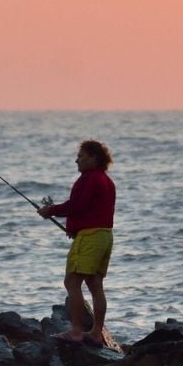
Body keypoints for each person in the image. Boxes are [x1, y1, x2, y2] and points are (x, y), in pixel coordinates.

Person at [38, 139, 116, 347]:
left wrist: (51, 210)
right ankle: (96, 332)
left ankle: (76, 331)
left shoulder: (89, 178)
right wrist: (76, 228)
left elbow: (78, 206)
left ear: (93, 158)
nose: (77, 161)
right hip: (104, 235)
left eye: (81, 156)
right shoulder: (106, 180)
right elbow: (93, 210)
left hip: (90, 237)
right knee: (95, 284)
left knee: (72, 282)